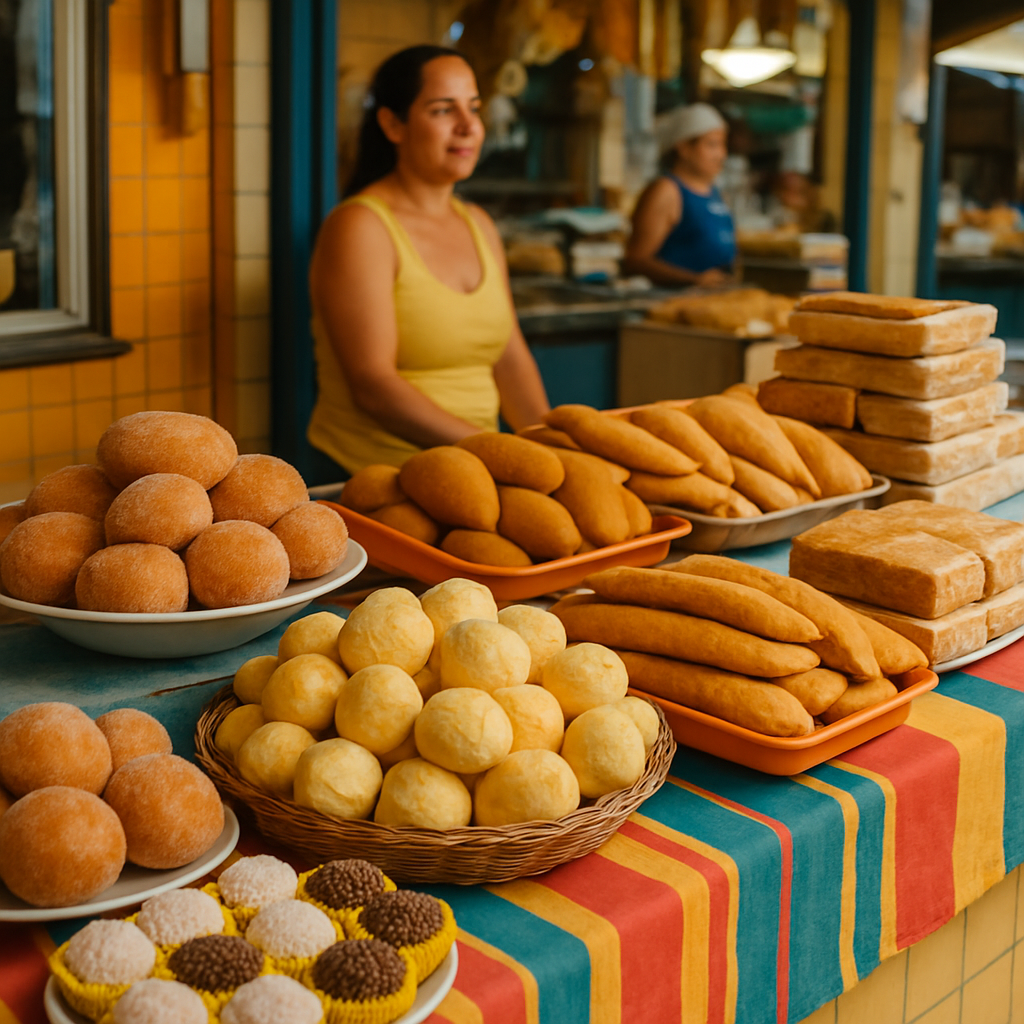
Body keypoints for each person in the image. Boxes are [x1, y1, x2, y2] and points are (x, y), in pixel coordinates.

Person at [307, 46, 551, 476]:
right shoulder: (360, 227)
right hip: (377, 479)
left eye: (473, 107)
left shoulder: (479, 223)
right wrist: (499, 453)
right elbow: (373, 386)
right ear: (393, 124)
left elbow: (509, 354)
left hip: (474, 471)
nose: (468, 126)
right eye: (443, 110)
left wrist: (547, 448)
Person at [623, 103, 736, 287]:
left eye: (723, 145)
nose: (721, 155)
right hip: (673, 304)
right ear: (684, 148)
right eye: (712, 145)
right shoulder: (666, 191)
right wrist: (694, 280)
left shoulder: (715, 192)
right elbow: (636, 260)